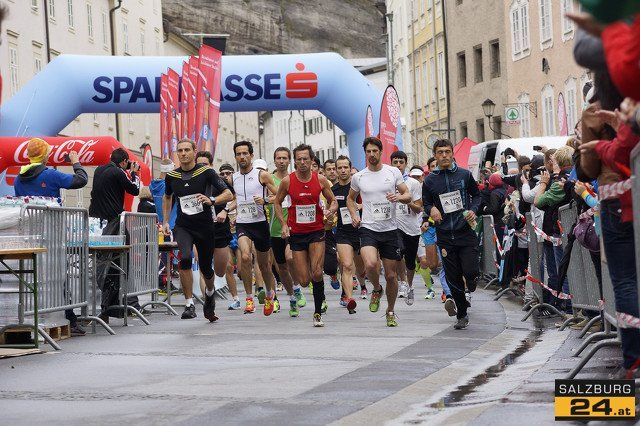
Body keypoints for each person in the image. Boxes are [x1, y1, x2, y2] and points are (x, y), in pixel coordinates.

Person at [14, 138, 88, 336]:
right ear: (45, 155)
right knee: (59, 277)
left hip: (29, 237)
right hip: (53, 236)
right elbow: (81, 180)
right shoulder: (50, 175)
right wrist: (76, 162)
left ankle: (32, 318)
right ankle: (69, 318)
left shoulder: (18, 179)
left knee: (32, 277)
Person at [162, 140, 233, 321]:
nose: (183, 153)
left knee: (206, 268)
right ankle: (189, 304)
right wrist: (165, 221)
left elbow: (228, 194)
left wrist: (212, 200)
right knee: (185, 258)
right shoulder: (172, 176)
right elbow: (167, 197)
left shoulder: (206, 172)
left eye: (187, 150)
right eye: (180, 150)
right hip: (183, 226)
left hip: (204, 226)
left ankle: (209, 292)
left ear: (195, 152)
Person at [347, 137, 412, 327]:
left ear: (381, 152)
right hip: (368, 228)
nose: (372, 154)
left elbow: (408, 195)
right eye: (368, 151)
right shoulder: (359, 177)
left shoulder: (392, 172)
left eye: (375, 151)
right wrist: (354, 215)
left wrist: (398, 197)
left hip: (390, 229)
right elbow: (350, 199)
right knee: (370, 264)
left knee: (391, 275)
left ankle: (390, 311)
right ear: (365, 153)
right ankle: (376, 288)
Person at [274, 144, 337, 327]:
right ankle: (310, 268)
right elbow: (277, 202)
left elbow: (333, 201)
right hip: (297, 233)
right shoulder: (288, 181)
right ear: (295, 161)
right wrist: (283, 224)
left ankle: (317, 313)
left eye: (305, 159)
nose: (302, 162)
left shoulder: (321, 180)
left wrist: (330, 211)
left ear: (311, 161)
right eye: (299, 159)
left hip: (317, 231)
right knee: (303, 280)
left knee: (317, 272)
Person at [422, 139, 481, 330]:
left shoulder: (464, 174)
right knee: (453, 277)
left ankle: (471, 280)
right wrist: (431, 209)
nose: (444, 155)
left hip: (465, 231)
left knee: (470, 271)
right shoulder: (430, 180)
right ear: (435, 155)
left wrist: (473, 210)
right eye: (440, 152)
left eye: (447, 151)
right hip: (445, 234)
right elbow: (426, 202)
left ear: (452, 153)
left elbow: (477, 196)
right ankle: (462, 314)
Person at [89, 148, 141, 322]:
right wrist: (134, 173)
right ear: (124, 161)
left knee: (101, 264)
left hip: (98, 223)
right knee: (119, 263)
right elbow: (135, 190)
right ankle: (120, 305)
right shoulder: (119, 172)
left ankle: (108, 307)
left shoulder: (99, 170)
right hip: (114, 223)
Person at [232, 141, 279, 315]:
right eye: (239, 154)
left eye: (245, 153)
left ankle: (269, 294)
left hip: (259, 223)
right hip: (242, 223)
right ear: (235, 157)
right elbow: (233, 198)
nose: (242, 157)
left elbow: (279, 196)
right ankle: (249, 298)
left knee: (264, 265)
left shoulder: (262, 175)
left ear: (251, 155)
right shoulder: (233, 178)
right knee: (245, 257)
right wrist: (225, 210)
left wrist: (265, 200)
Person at [195, 152, 240, 310]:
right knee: (204, 268)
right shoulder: (191, 182)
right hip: (199, 230)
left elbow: (235, 197)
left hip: (219, 230)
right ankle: (209, 301)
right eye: (199, 165)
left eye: (205, 165)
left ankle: (227, 294)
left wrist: (225, 211)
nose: (202, 167)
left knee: (222, 270)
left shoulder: (219, 182)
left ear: (211, 165)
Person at [534, 146, 575, 315]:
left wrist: (543, 184)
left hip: (561, 231)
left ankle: (570, 309)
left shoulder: (560, 182)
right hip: (565, 230)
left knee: (563, 271)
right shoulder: (571, 176)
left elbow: (538, 201)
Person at [266, 147, 304, 317]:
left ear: (290, 161)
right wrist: (268, 200)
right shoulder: (269, 179)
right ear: (274, 160)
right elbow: (266, 199)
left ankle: (297, 288)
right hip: (275, 228)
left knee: (290, 258)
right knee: (281, 266)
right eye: (278, 158)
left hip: (293, 227)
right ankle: (292, 297)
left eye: (284, 158)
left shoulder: (295, 178)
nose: (281, 161)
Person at [332, 155, 366, 314]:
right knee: (346, 265)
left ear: (350, 169)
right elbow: (331, 207)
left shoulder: (359, 187)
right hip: (343, 232)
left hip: (361, 230)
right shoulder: (333, 190)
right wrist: (330, 213)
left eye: (346, 167)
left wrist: (360, 206)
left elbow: (371, 202)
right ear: (336, 170)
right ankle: (349, 299)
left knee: (362, 268)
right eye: (340, 167)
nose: (343, 170)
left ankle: (364, 284)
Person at [390, 151, 423, 305]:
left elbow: (419, 208)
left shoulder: (413, 183)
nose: (398, 165)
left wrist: (406, 201)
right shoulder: (387, 182)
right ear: (391, 163)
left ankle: (409, 285)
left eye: (401, 162)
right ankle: (402, 281)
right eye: (395, 162)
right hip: (393, 226)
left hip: (412, 227)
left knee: (410, 261)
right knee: (398, 253)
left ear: (405, 164)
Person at [322, 159, 340, 290]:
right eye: (329, 169)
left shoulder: (345, 186)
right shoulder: (322, 187)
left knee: (344, 258)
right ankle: (333, 273)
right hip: (328, 227)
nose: (332, 172)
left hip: (342, 227)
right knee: (331, 261)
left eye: (334, 169)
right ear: (324, 171)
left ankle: (348, 287)